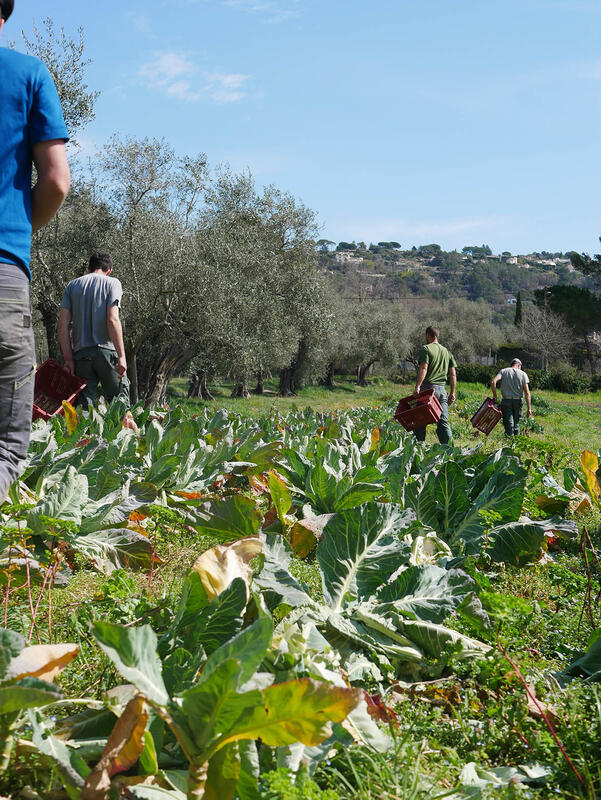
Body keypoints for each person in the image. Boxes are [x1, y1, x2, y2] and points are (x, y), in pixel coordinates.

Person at [0, 0, 70, 501]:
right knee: (6, 443)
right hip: (3, 267)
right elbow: (56, 181)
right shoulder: (28, 74)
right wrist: (22, 231)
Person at [58, 253, 130, 408]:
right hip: (107, 353)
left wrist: (69, 359)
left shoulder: (72, 286)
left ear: (89, 268)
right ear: (109, 270)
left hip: (82, 355)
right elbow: (112, 319)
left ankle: (83, 433)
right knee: (119, 406)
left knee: (82, 408)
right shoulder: (113, 283)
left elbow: (62, 325)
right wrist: (122, 356)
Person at [413, 325, 457, 445]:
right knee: (443, 422)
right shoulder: (447, 352)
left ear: (428, 335)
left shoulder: (426, 349)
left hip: (427, 390)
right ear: (437, 336)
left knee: (420, 422)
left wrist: (418, 386)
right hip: (442, 391)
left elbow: (423, 367)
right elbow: (452, 374)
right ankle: (449, 449)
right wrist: (452, 392)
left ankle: (418, 447)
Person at [490, 358, 532, 436]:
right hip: (518, 401)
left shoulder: (503, 371)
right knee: (516, 424)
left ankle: (508, 443)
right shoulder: (523, 374)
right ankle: (516, 442)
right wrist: (529, 408)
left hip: (506, 401)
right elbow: (527, 393)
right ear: (519, 365)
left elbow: (493, 382)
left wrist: (495, 396)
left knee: (509, 424)